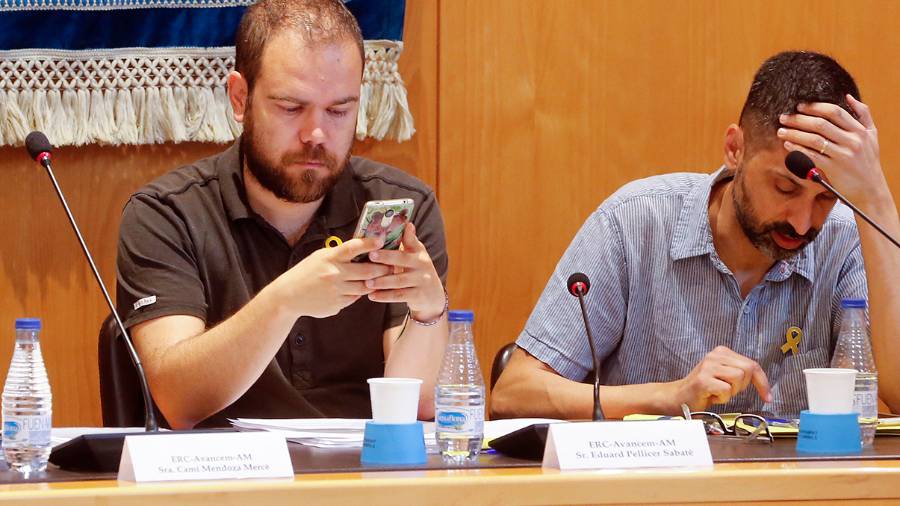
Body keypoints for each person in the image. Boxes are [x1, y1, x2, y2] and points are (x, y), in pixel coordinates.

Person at [492, 51, 900, 420]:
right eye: (785, 189)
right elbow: (513, 393)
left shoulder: (847, 237)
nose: (800, 222)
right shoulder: (636, 221)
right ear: (735, 149)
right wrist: (668, 397)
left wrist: (876, 197)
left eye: (826, 197)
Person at [116, 0, 449, 429]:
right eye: (291, 108)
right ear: (240, 98)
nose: (316, 134)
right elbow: (179, 400)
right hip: (224, 480)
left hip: (364, 478)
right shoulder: (166, 215)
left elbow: (417, 406)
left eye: (339, 110)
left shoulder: (405, 206)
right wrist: (284, 301)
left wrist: (427, 313)